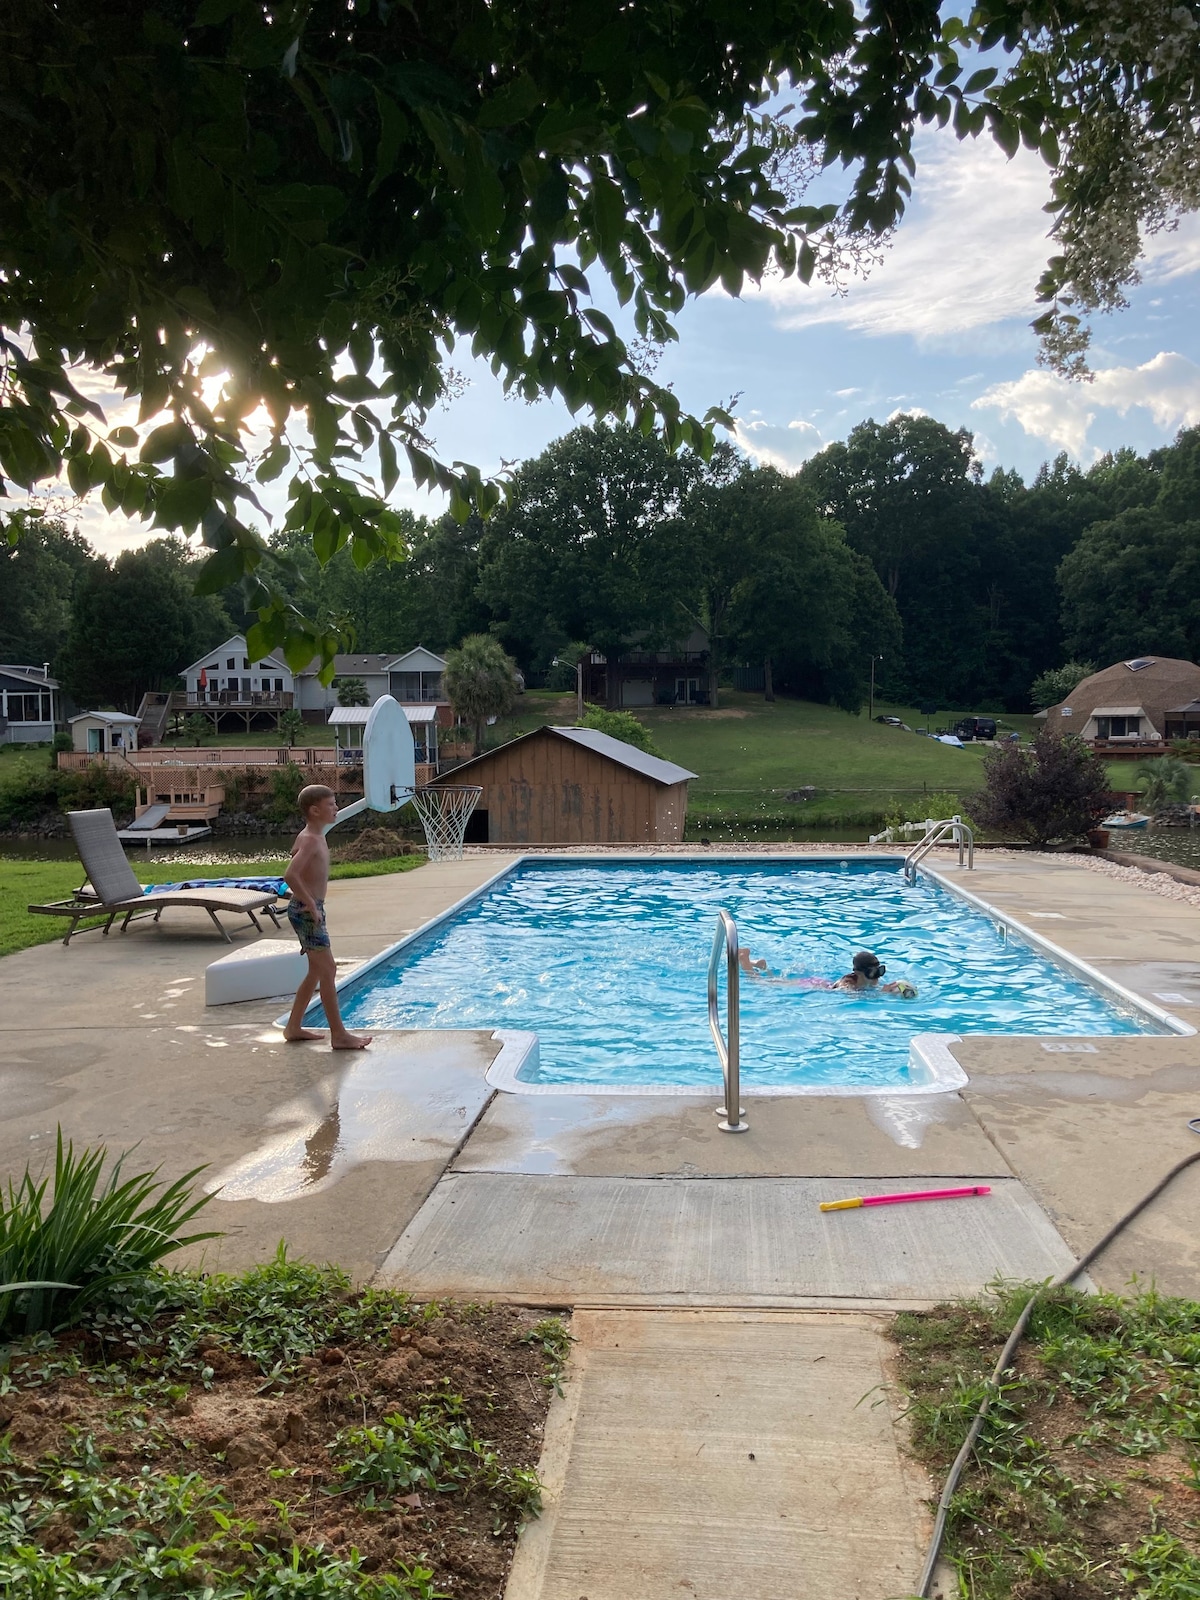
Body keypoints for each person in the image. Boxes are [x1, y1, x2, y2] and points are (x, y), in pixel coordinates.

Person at [282, 784, 372, 1049]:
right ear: (315, 810)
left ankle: (293, 1026)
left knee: (317, 970)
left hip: (309, 909)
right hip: (306, 910)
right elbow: (290, 874)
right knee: (328, 969)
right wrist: (310, 903)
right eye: (331, 804)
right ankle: (340, 1035)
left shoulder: (313, 835)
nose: (336, 808)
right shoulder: (310, 839)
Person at [738, 945, 917, 997]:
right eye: (874, 973)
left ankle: (760, 965)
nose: (877, 977)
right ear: (860, 973)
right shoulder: (847, 984)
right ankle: (745, 961)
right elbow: (850, 995)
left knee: (772, 981)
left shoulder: (864, 982)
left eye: (880, 971)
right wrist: (882, 994)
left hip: (820, 982)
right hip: (810, 985)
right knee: (761, 984)